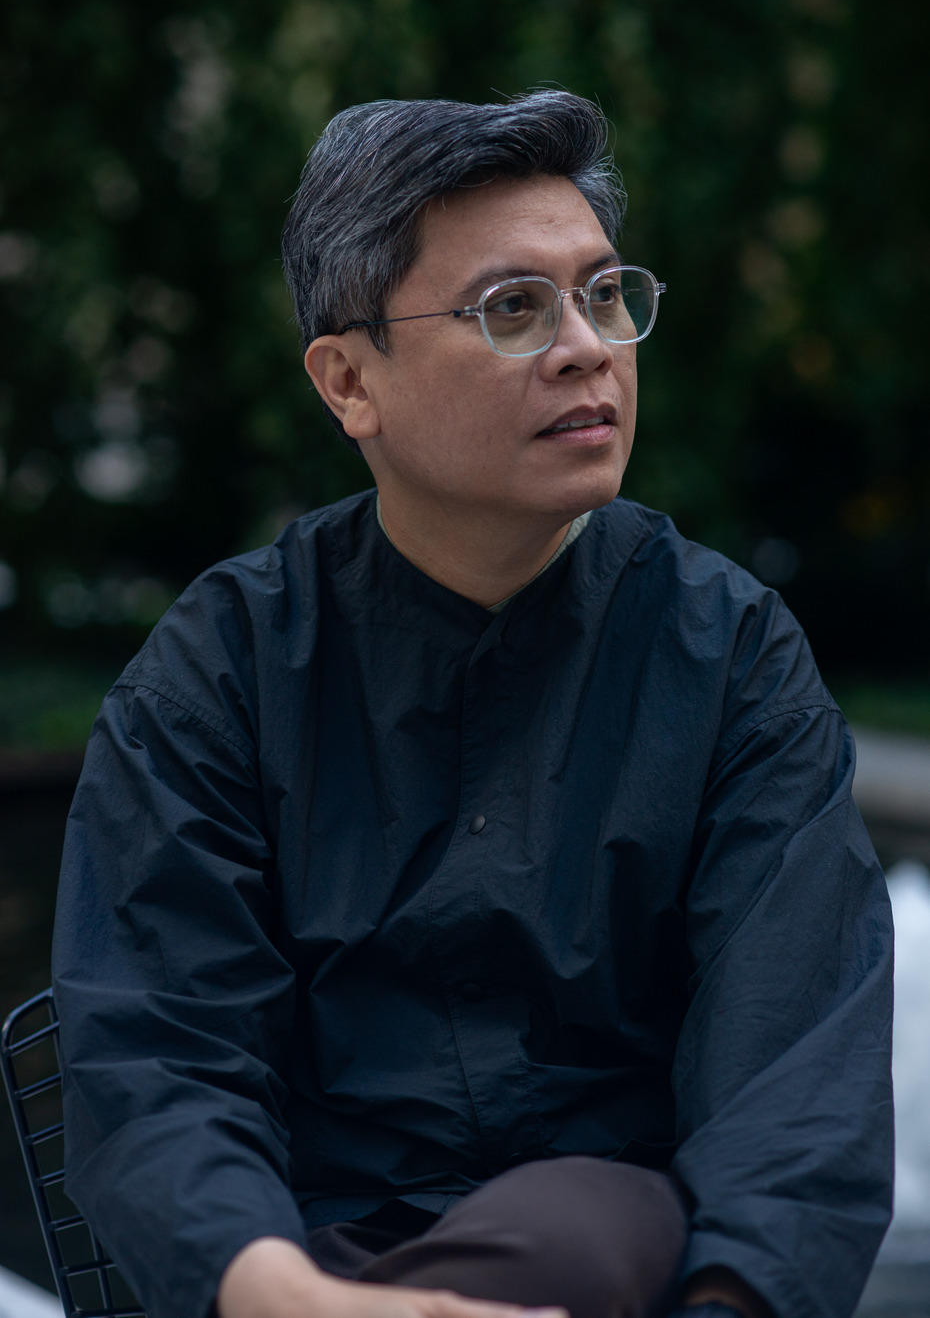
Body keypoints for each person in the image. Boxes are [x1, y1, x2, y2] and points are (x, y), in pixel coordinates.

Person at [52, 91, 894, 1318]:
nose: (587, 347)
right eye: (513, 309)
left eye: (605, 294)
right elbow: (158, 1055)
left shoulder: (728, 655)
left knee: (583, 1225)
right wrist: (292, 1294)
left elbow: (796, 1069)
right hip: (298, 1270)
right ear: (350, 381)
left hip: (631, 1268)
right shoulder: (222, 670)